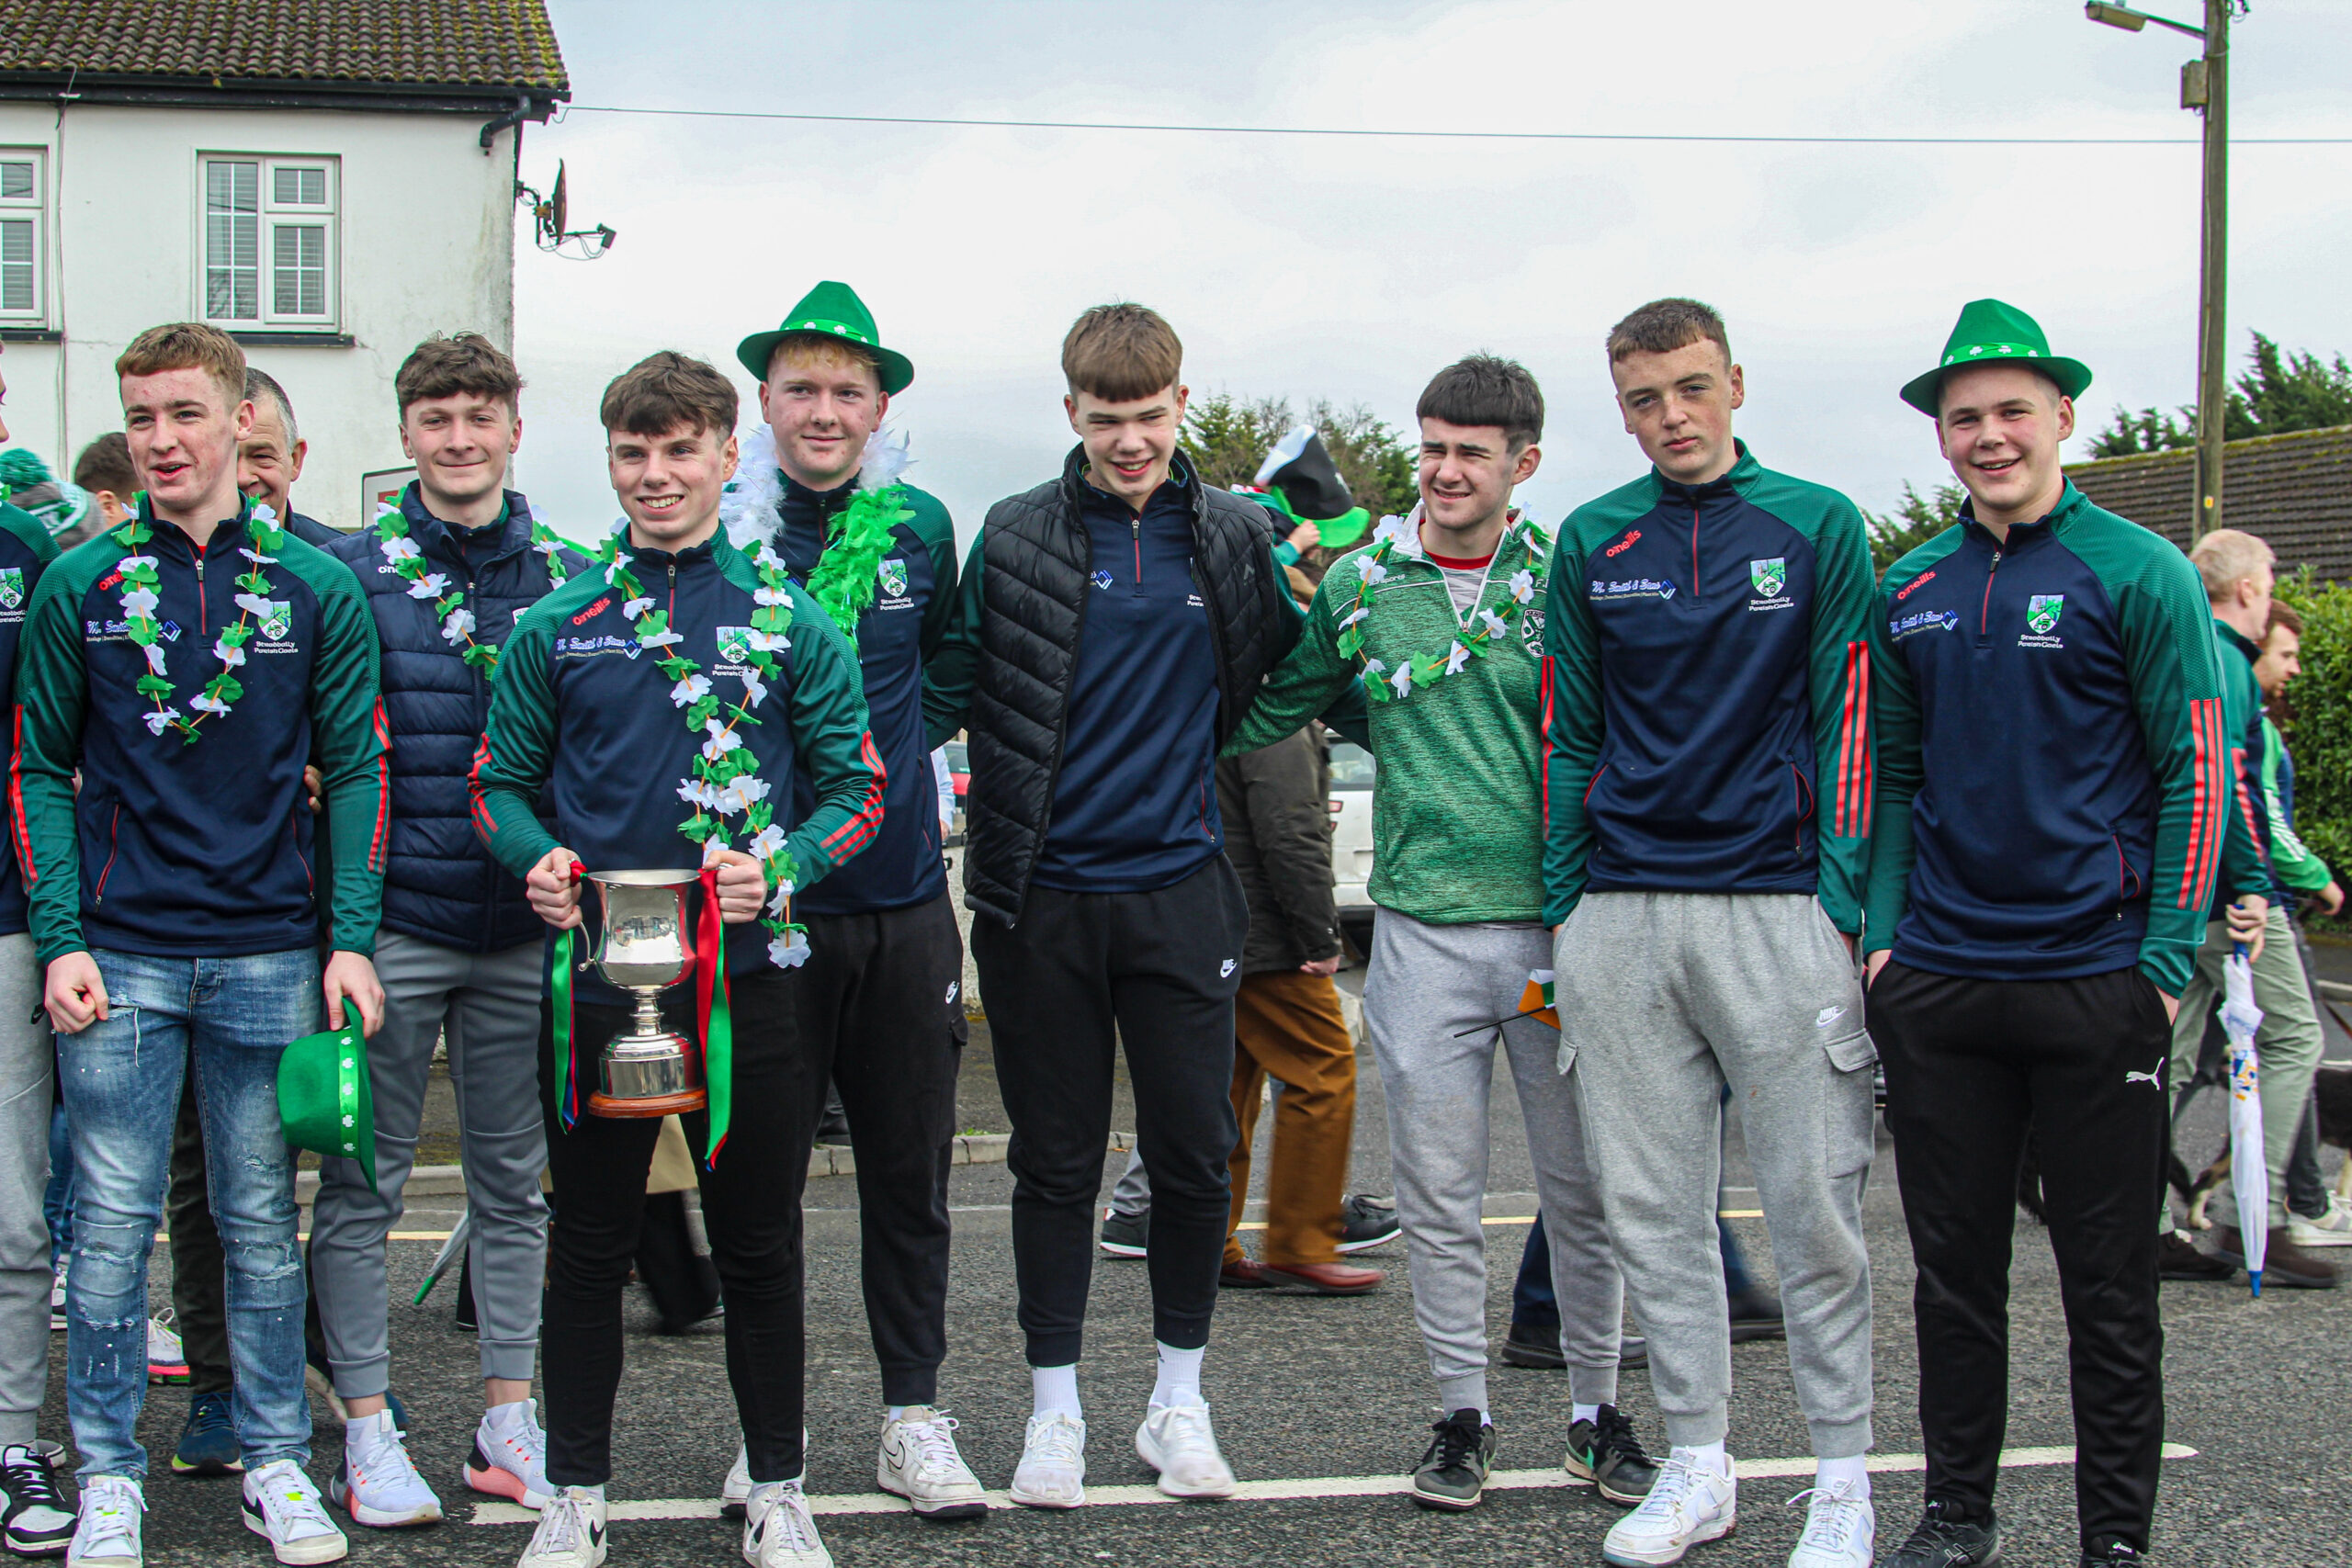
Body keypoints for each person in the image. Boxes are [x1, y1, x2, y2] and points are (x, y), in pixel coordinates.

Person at [470, 349, 884, 1568]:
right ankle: (575, 1493)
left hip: (748, 984)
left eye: (679, 449)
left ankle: (779, 1487)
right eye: (632, 452)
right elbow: (496, 784)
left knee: (758, 1243)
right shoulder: (560, 622)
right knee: (588, 1245)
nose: (655, 474)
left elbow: (859, 788)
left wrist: (785, 865)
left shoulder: (791, 620)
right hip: (599, 988)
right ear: (610, 460)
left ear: (724, 453)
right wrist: (537, 858)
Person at [1227, 354, 1651, 1514]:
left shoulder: (1568, 574)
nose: (1446, 472)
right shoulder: (1361, 584)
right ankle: (1462, 1418)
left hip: (1559, 931)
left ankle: (1596, 1416)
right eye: (1431, 449)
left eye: (1470, 453)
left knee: (1582, 1193)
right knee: (1440, 1195)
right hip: (1420, 936)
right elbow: (1285, 697)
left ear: (1524, 462)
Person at [922, 302, 1329, 1508]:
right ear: (1072, 414)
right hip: (1040, 898)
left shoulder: (1240, 533)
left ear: (1181, 405)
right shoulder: (1013, 533)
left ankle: (1177, 1403)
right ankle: (1054, 1414)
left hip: (1182, 891)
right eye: (1107, 420)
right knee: (1053, 1165)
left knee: (1196, 1155)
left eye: (1150, 416)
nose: (1131, 440)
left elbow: (1299, 666)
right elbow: (948, 681)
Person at [1863, 299, 2233, 1568]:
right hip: (1943, 982)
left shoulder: (2141, 570)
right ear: (1941, 435)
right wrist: (1884, 943)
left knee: (2110, 1288)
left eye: (2012, 410)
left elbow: (2197, 770)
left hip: (2096, 979)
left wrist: (2163, 964)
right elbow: (1893, 776)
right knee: (1953, 1278)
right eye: (1964, 417)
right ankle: (1956, 1513)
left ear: (2062, 415)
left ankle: (2112, 1540)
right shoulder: (1909, 583)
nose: (1989, 435)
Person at [17, 321, 389, 1566]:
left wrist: (347, 940)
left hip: (270, 953)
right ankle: (108, 1473)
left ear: (241, 422)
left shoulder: (314, 587)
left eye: (185, 414)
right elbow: (40, 768)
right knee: (111, 1226)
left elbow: (357, 768)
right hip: (119, 952)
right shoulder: (79, 583)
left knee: (257, 1220)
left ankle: (278, 1461)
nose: (162, 440)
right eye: (141, 418)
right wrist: (61, 937)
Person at [1544, 299, 1877, 1568]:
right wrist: (1570, 904)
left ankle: (1840, 1477)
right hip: (1624, 910)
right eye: (1644, 398)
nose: (1671, 415)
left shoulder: (1816, 522)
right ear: (1621, 408)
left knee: (1814, 1207)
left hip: (1778, 906)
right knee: (1652, 1211)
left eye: (1691, 387)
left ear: (1735, 382)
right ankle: (1698, 1463)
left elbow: (1850, 715)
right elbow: (1570, 731)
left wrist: (1837, 899)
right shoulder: (1594, 536)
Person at [308, 333, 590, 1527]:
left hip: (523, 929)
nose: (459, 439)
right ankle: (367, 1428)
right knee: (360, 1185)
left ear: (515, 429)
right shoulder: (348, 576)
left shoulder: (576, 576)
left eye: (480, 416)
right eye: (436, 418)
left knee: (515, 1189)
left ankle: (508, 1419)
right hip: (393, 926)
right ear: (406, 432)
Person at [713, 281, 985, 1519]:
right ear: (763, 403)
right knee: (757, 1187)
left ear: (880, 408)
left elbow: (951, 662)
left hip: (901, 893)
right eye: (801, 389)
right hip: (762, 904)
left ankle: (911, 1418)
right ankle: (765, 1431)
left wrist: (879, 756)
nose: (824, 411)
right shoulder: (721, 525)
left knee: (908, 1175)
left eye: (847, 391)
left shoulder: (920, 523)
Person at [2157, 529, 2337, 1288]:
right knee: (2296, 1038)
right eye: (2269, 582)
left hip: (2179, 894)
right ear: (2249, 589)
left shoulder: (2181, 650)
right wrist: (2256, 887)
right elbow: (2230, 787)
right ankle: (2252, 1215)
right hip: (2226, 897)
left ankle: (2142, 1221)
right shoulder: (2228, 663)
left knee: (2168, 1059)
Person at [0, 342, 75, 1556]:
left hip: (6, 920)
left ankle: (12, 1438)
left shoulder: (28, 555)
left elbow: (60, 747)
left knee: (14, 1214)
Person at [2247, 600, 2352, 1246]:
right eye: (2286, 655)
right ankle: (2291, 1207)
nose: (2294, 669)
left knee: (2187, 1062)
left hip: (2241, 900)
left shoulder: (2244, 716)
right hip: (2264, 902)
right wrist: (2319, 877)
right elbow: (2265, 817)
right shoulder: (2249, 722)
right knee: (2297, 1044)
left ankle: (2153, 1210)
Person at [238, 368, 340, 546]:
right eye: (226, 460)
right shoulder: (184, 560)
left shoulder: (336, 556)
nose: (242, 478)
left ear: (295, 460)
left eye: (261, 456)